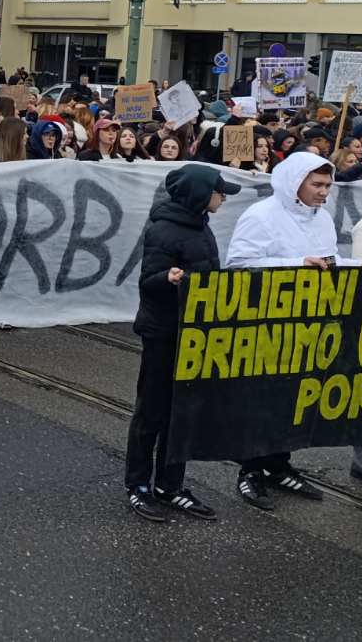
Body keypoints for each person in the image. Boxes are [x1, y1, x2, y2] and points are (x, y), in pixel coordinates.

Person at [124, 163, 237, 522]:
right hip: (164, 333)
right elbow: (148, 282)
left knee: (181, 413)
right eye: (219, 191)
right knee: (151, 412)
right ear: (200, 195)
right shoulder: (164, 230)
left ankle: (169, 486)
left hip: (193, 333)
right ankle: (138, 485)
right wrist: (168, 278)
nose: (223, 197)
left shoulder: (200, 225)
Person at [225, 151, 338, 508]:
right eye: (317, 184)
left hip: (306, 324)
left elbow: (328, 263)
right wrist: (296, 264)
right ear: (295, 183)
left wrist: (357, 264)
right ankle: (251, 471)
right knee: (262, 400)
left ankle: (278, 464)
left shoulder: (324, 219)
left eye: (328, 185)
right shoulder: (261, 215)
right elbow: (238, 265)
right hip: (267, 323)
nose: (324, 192)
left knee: (293, 399)